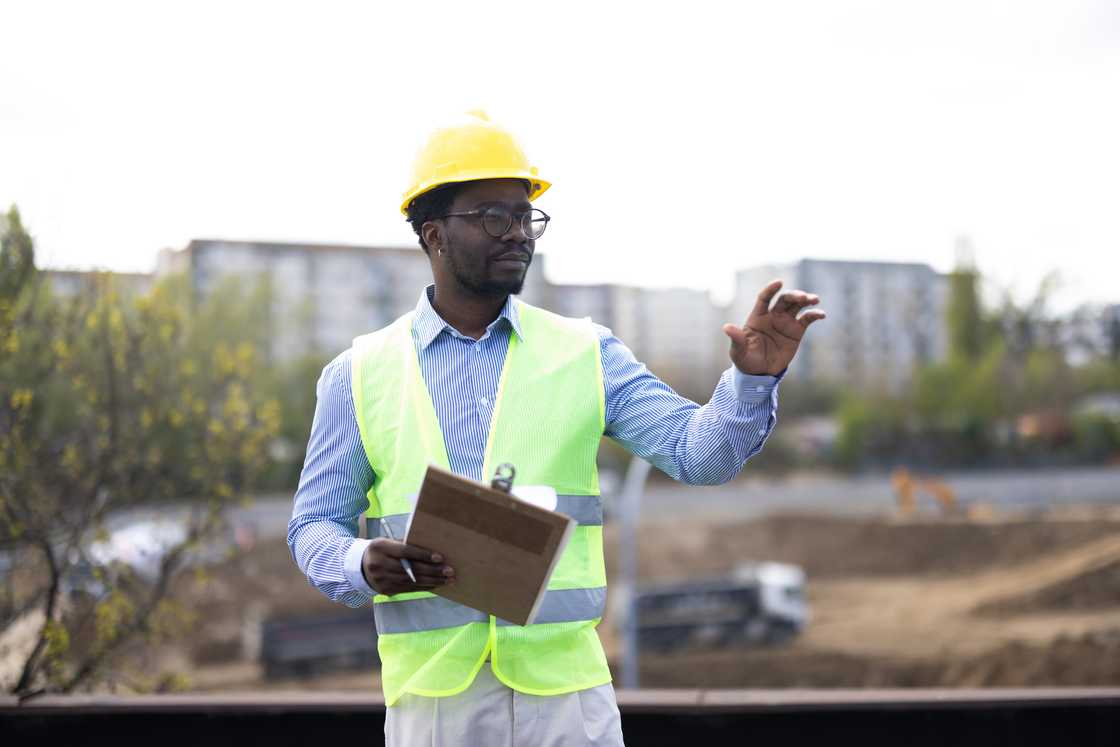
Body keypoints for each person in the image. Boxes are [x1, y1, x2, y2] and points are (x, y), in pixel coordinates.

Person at [287, 111, 825, 746]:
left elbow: (699, 455)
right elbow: (311, 526)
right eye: (494, 217)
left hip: (566, 705)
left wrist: (752, 382)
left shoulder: (586, 353)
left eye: (526, 217)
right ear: (433, 233)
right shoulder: (358, 374)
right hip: (434, 709)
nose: (518, 233)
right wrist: (357, 562)